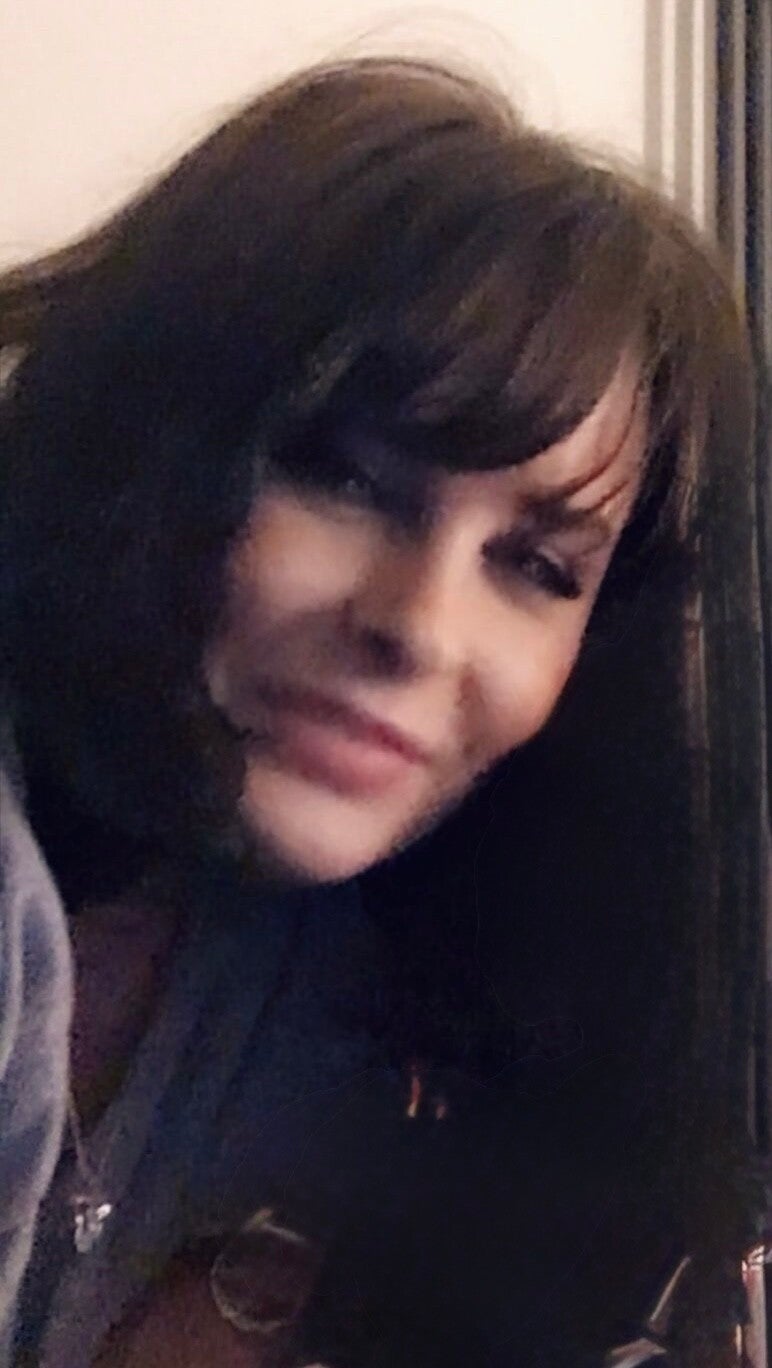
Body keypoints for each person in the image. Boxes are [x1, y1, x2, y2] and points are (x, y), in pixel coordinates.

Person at [0, 55, 766, 1368]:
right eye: (347, 480)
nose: (421, 628)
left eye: (537, 567)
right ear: (145, 435)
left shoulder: (363, 975)